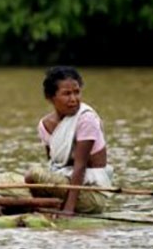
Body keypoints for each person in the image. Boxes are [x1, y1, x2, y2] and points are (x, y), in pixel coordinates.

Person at [24, 66, 114, 214]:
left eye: (77, 92)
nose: (74, 99)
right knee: (5, 181)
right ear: (50, 97)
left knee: (33, 174)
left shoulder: (86, 119)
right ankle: (44, 205)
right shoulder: (44, 125)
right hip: (62, 188)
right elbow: (53, 165)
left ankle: (49, 206)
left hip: (89, 194)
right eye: (66, 94)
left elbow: (80, 167)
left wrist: (69, 210)